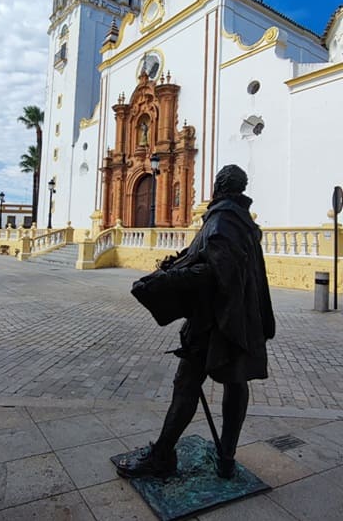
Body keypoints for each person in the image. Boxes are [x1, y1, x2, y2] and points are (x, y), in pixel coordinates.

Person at [116, 164, 275, 480]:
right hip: (237, 318)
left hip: (212, 321)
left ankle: (162, 456)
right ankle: (226, 456)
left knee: (186, 384)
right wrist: (183, 259)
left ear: (218, 186)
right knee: (235, 381)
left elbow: (218, 273)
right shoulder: (240, 222)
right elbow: (210, 258)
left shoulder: (221, 221)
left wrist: (170, 278)